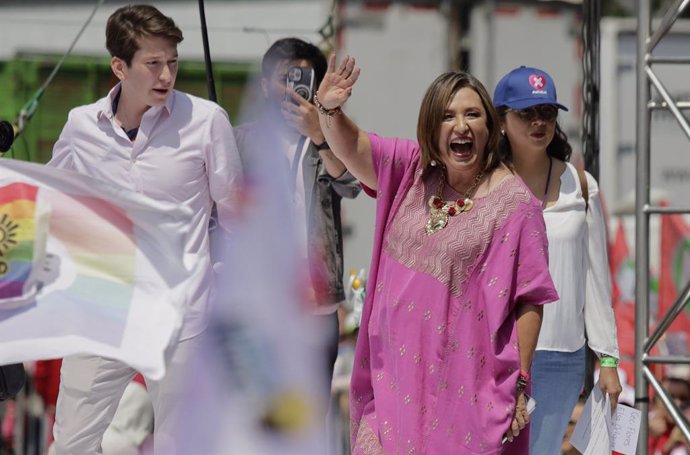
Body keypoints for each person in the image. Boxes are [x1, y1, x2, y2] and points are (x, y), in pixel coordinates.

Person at [315, 55, 559, 454]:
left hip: (466, 395)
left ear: (491, 126)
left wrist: (519, 382)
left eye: (472, 115)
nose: (460, 126)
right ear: (431, 127)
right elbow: (353, 146)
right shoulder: (410, 171)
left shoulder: (516, 205)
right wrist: (329, 109)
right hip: (390, 386)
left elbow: (530, 299)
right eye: (447, 116)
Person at [47, 5, 242, 454]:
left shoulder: (207, 121)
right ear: (120, 67)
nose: (166, 75)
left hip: (183, 318)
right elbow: (53, 198)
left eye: (172, 61)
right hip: (102, 310)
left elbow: (236, 216)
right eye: (153, 64)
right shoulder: (81, 126)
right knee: (70, 444)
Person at [492, 65, 622, 455]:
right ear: (501, 122)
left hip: (563, 358)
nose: (538, 122)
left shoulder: (582, 185)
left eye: (547, 112)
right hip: (499, 356)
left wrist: (609, 359)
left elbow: (596, 278)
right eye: (525, 113)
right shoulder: (484, 185)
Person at [233, 38, 361, 400]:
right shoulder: (239, 141)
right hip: (259, 304)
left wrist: (320, 133)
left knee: (310, 415)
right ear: (263, 86)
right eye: (284, 77)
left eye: (303, 77)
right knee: (257, 414)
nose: (294, 86)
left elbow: (352, 184)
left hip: (316, 304)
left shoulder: (332, 139)